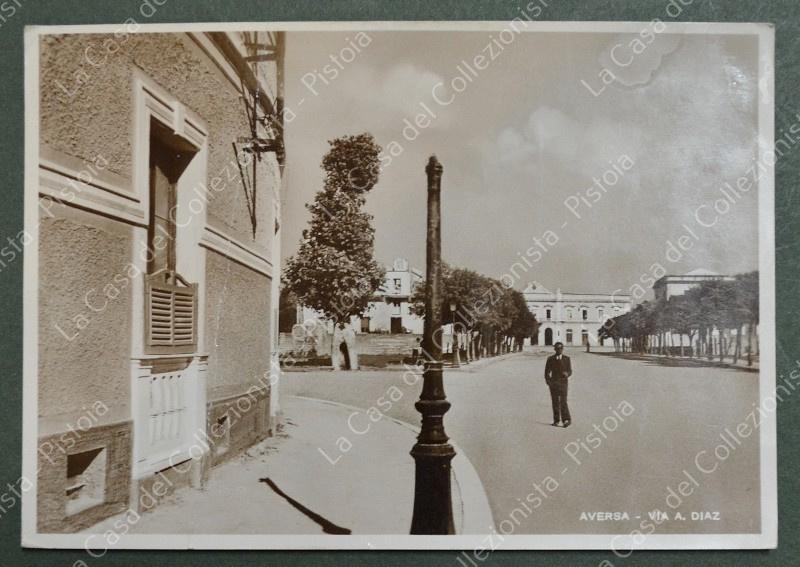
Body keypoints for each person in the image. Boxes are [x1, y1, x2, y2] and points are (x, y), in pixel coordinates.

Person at [544, 342, 572, 427]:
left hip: (563, 383)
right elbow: (547, 372)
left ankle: (566, 420)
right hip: (554, 383)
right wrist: (549, 381)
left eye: (560, 348)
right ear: (554, 349)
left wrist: (567, 374)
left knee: (563, 401)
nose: (559, 350)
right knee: (555, 402)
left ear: (562, 349)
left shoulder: (567, 359)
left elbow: (570, 371)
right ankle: (556, 420)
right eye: (557, 348)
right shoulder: (550, 359)